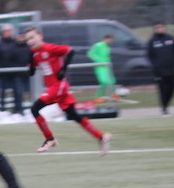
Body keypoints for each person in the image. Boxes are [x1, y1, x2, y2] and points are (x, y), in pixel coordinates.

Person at [26, 27, 111, 155]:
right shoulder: (34, 54)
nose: (30, 41)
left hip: (59, 86)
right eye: (27, 39)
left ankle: (50, 139)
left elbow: (70, 51)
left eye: (32, 37)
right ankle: (101, 137)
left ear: (40, 36)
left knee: (34, 109)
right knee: (73, 115)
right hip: (54, 88)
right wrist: (30, 60)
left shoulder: (50, 48)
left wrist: (63, 70)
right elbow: (31, 72)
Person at [146, 21, 174, 115]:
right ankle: (164, 108)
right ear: (155, 29)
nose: (160, 29)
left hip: (171, 69)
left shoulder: (170, 39)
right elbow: (149, 56)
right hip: (159, 71)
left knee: (172, 88)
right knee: (162, 90)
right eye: (158, 28)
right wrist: (155, 66)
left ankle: (167, 103)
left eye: (161, 27)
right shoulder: (152, 41)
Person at [0, 24, 28, 114]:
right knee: (2, 92)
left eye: (9, 31)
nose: (8, 33)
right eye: (6, 31)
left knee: (18, 91)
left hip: (15, 72)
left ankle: (18, 109)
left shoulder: (16, 43)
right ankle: (2, 110)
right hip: (3, 72)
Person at [87, 33, 116, 100]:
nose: (111, 41)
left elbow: (107, 57)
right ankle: (98, 97)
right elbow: (90, 54)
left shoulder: (107, 47)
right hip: (100, 67)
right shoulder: (98, 45)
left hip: (107, 66)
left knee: (112, 81)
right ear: (106, 39)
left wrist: (109, 63)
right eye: (110, 40)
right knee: (103, 82)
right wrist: (98, 60)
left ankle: (112, 95)